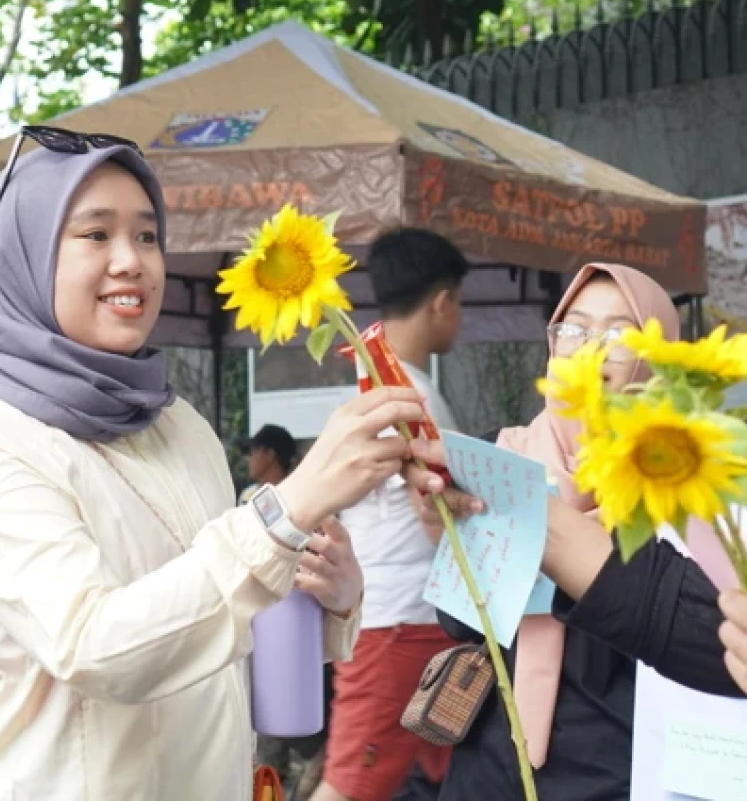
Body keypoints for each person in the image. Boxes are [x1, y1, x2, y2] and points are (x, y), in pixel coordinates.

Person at [0, 127, 427, 800]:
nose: (132, 261)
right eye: (96, 235)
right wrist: (283, 513)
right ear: (23, 259)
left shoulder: (177, 424)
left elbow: (208, 622)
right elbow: (94, 646)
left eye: (148, 235)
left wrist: (324, 592)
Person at [403, 263, 744, 800]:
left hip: (620, 770)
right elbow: (462, 624)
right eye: (574, 329)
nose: (591, 349)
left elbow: (697, 638)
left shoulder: (683, 489)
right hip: (494, 766)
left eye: (618, 334)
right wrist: (448, 542)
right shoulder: (501, 457)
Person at [313, 228, 472, 801]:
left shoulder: (373, 387)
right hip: (399, 622)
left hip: (414, 620)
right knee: (351, 785)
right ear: (442, 301)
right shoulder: (408, 396)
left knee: (436, 779)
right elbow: (432, 504)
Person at [238, 423, 297, 505]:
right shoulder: (248, 497)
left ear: (270, 454)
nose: (249, 458)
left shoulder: (296, 495)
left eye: (253, 451)